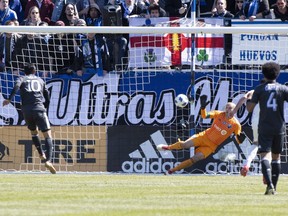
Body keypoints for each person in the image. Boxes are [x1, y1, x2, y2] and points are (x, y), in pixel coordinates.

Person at [157, 95, 246, 175]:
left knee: (194, 159)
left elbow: (239, 140)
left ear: (235, 110)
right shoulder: (219, 114)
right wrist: (203, 107)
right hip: (203, 136)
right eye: (227, 107)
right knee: (185, 144)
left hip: (211, 146)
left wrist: (240, 139)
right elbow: (204, 116)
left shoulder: (236, 125)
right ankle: (167, 148)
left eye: (230, 108)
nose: (228, 109)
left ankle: (171, 170)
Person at [2, 63, 56, 174]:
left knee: (34, 132)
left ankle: (41, 154)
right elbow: (47, 95)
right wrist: (45, 107)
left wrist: (9, 99)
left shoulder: (22, 78)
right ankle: (49, 160)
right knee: (47, 135)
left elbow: (16, 86)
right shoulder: (41, 80)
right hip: (39, 108)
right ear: (34, 71)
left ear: (24, 71)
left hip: (26, 110)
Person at [247, 62, 288, 195]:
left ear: (263, 74)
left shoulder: (259, 89)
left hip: (264, 127)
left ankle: (269, 185)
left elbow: (249, 109)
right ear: (278, 73)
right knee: (276, 158)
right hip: (279, 127)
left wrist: (249, 99)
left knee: (265, 156)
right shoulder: (283, 88)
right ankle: (273, 188)